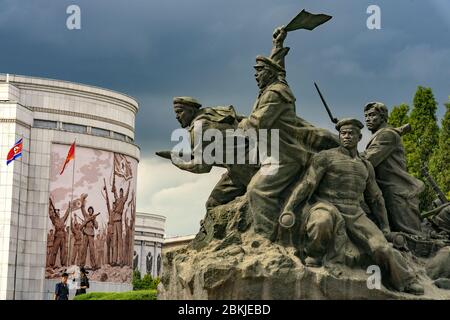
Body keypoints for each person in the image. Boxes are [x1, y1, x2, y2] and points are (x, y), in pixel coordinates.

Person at [281, 118, 424, 295]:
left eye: (351, 133)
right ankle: (315, 254)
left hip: (355, 212)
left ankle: (405, 280)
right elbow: (307, 184)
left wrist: (385, 228)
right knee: (321, 222)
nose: (347, 136)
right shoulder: (325, 157)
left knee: (382, 248)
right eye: (343, 133)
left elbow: (376, 198)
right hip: (326, 204)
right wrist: (288, 208)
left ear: (359, 137)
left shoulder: (366, 165)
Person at [240, 26, 339, 240]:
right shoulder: (273, 87)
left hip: (286, 156)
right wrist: (277, 45)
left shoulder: (276, 94)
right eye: (255, 72)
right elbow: (280, 71)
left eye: (260, 72)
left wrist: (236, 125)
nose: (255, 76)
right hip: (273, 153)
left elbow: (257, 122)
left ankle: (265, 238)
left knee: (257, 190)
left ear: (269, 74)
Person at [362, 102, 424, 236]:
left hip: (396, 193)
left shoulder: (387, 135)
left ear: (383, 116)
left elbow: (368, 160)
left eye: (372, 115)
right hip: (383, 190)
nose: (367, 119)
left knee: (412, 238)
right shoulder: (379, 135)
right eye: (366, 116)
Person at [112, 181, 130, 265]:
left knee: (120, 241)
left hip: (119, 220)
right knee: (114, 241)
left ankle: (121, 260)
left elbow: (126, 196)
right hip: (114, 220)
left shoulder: (123, 200)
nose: (121, 193)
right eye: (120, 192)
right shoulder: (117, 199)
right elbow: (114, 193)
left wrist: (129, 186)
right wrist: (114, 184)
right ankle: (114, 260)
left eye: (122, 192)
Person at [48, 201, 71, 267]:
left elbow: (66, 214)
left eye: (58, 211)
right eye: (56, 211)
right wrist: (50, 205)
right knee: (54, 251)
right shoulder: (54, 219)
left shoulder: (62, 219)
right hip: (57, 236)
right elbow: (50, 214)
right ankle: (51, 264)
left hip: (63, 237)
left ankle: (63, 264)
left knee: (63, 251)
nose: (58, 212)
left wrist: (69, 208)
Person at [80, 202, 99, 269]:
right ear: (88, 211)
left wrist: (94, 220)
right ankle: (81, 265)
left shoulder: (94, 218)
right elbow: (82, 209)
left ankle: (93, 265)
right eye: (89, 210)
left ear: (92, 211)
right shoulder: (86, 216)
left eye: (91, 210)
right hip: (85, 234)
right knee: (83, 250)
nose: (90, 211)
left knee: (92, 250)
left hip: (91, 234)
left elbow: (96, 227)